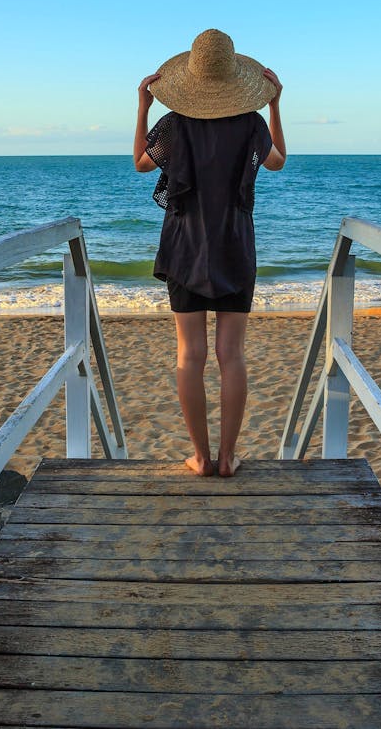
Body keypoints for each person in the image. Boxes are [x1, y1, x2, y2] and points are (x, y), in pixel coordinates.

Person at [133, 29, 286, 477]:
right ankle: (228, 458)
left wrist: (143, 107)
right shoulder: (251, 123)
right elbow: (277, 160)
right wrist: (275, 104)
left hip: (184, 247)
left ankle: (200, 457)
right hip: (234, 245)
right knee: (231, 355)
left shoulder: (176, 124)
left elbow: (142, 163)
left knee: (190, 355)